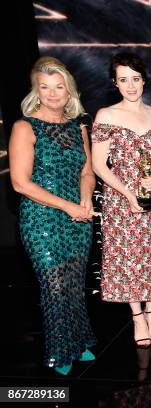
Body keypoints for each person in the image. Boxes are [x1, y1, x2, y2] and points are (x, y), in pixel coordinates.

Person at [9, 56, 97, 375]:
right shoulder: (25, 126)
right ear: (36, 90)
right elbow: (20, 182)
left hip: (77, 218)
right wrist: (68, 206)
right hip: (41, 221)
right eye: (44, 87)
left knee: (74, 282)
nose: (52, 93)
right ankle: (60, 352)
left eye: (59, 86)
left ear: (69, 90)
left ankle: (80, 341)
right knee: (53, 285)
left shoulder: (78, 128)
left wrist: (85, 201)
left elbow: (87, 173)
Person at [91, 52, 151, 349]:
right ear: (115, 82)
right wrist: (128, 193)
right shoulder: (106, 116)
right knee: (128, 258)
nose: (131, 85)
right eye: (123, 80)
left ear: (144, 80)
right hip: (120, 197)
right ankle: (137, 316)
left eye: (135, 79)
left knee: (150, 254)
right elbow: (100, 165)